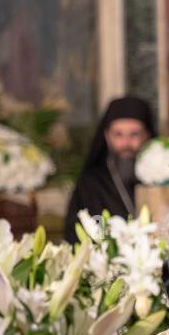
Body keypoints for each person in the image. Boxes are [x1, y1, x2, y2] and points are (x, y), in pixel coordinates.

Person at [64, 96, 153, 236]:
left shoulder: (159, 178)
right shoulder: (90, 183)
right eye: (118, 134)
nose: (126, 143)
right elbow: (74, 232)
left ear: (147, 135)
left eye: (134, 134)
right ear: (107, 136)